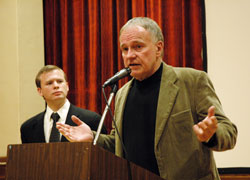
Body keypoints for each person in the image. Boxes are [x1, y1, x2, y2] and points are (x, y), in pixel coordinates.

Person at [56, 17, 237, 180]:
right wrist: (92, 137)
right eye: (124, 49)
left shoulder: (191, 81)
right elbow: (118, 145)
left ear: (158, 48)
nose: (129, 55)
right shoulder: (121, 94)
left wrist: (211, 135)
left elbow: (229, 132)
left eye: (138, 46)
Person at [21, 65, 107, 143]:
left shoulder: (91, 120)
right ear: (40, 91)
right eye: (49, 83)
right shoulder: (28, 128)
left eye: (59, 81)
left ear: (67, 86)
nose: (56, 86)